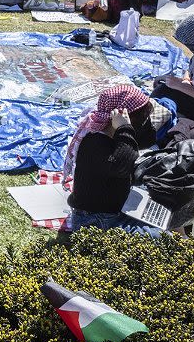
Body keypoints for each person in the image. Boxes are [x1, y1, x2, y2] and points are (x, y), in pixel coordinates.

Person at [64, 85, 162, 237]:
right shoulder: (95, 142)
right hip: (94, 220)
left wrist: (129, 128)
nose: (143, 123)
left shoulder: (114, 134)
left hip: (114, 210)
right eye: (141, 119)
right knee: (162, 237)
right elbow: (123, 165)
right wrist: (124, 128)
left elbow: (148, 140)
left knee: (163, 199)